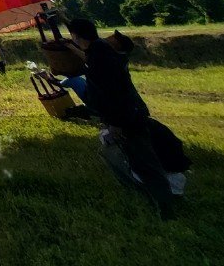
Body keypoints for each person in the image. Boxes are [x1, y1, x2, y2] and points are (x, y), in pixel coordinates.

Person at [66, 18, 176, 218]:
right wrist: (64, 18)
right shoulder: (99, 51)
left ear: (76, 36)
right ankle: (146, 194)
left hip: (126, 119)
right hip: (126, 115)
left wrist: (116, 123)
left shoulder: (101, 58)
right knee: (115, 155)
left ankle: (166, 208)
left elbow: (115, 93)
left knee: (145, 162)